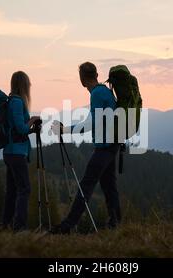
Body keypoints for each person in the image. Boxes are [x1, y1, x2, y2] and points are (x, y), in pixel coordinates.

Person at [51, 62, 121, 234]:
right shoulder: (105, 91)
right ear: (96, 75)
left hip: (105, 147)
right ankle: (116, 224)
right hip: (112, 145)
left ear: (82, 80)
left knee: (86, 185)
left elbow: (92, 124)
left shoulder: (97, 94)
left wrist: (65, 130)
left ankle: (67, 226)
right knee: (108, 186)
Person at [2, 71, 41, 232]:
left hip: (10, 152)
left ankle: (6, 225)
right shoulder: (17, 102)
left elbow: (18, 130)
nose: (30, 86)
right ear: (23, 85)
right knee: (24, 189)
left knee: (12, 190)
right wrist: (32, 120)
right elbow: (21, 128)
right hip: (16, 153)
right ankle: (19, 227)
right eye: (28, 83)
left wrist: (31, 128)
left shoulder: (11, 101)